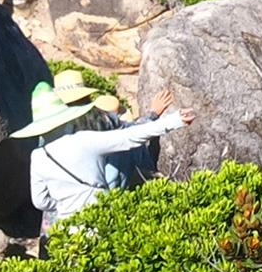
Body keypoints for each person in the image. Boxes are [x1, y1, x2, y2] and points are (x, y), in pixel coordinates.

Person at [11, 81, 189, 237]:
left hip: (63, 228)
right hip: (97, 221)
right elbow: (131, 136)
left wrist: (66, 203)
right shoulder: (85, 139)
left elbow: (40, 201)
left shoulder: (39, 154)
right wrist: (174, 120)